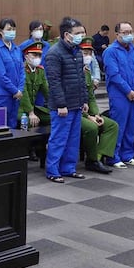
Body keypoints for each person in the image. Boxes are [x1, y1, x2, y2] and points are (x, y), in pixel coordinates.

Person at [43, 16, 88, 183]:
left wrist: (84, 100)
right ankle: (52, 170)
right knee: (59, 138)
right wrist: (61, 104)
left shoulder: (77, 51)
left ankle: (68, 168)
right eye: (78, 33)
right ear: (67, 34)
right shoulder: (54, 54)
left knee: (73, 139)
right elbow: (54, 82)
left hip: (76, 103)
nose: (81, 36)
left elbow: (81, 79)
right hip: (62, 106)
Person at [103, 21, 134, 169]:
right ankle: (113, 156)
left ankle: (128, 155)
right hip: (119, 94)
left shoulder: (133, 50)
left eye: (130, 31)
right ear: (117, 34)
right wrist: (128, 91)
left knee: (130, 126)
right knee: (118, 126)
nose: (129, 35)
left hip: (133, 93)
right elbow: (114, 75)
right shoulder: (111, 51)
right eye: (125, 32)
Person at [79, 37, 118, 174]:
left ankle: (97, 158)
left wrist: (95, 114)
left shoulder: (87, 72)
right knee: (92, 127)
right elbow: (70, 99)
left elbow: (91, 97)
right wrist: (87, 117)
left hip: (88, 112)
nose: (88, 56)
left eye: (90, 53)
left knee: (112, 125)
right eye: (84, 53)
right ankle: (92, 159)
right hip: (74, 113)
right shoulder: (72, 72)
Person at [0, 18, 25, 129]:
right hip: (2, 94)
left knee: (12, 125)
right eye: (9, 29)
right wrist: (14, 90)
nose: (12, 32)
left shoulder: (17, 49)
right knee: (1, 126)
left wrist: (20, 90)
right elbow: (0, 75)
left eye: (14, 29)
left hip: (16, 95)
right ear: (1, 31)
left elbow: (22, 71)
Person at [19, 42, 51, 127]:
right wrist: (31, 112)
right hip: (20, 109)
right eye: (34, 55)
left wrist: (58, 106)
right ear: (26, 56)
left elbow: (47, 91)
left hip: (33, 108)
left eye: (39, 55)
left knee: (55, 118)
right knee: (29, 123)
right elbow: (23, 93)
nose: (37, 58)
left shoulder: (40, 71)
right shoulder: (21, 70)